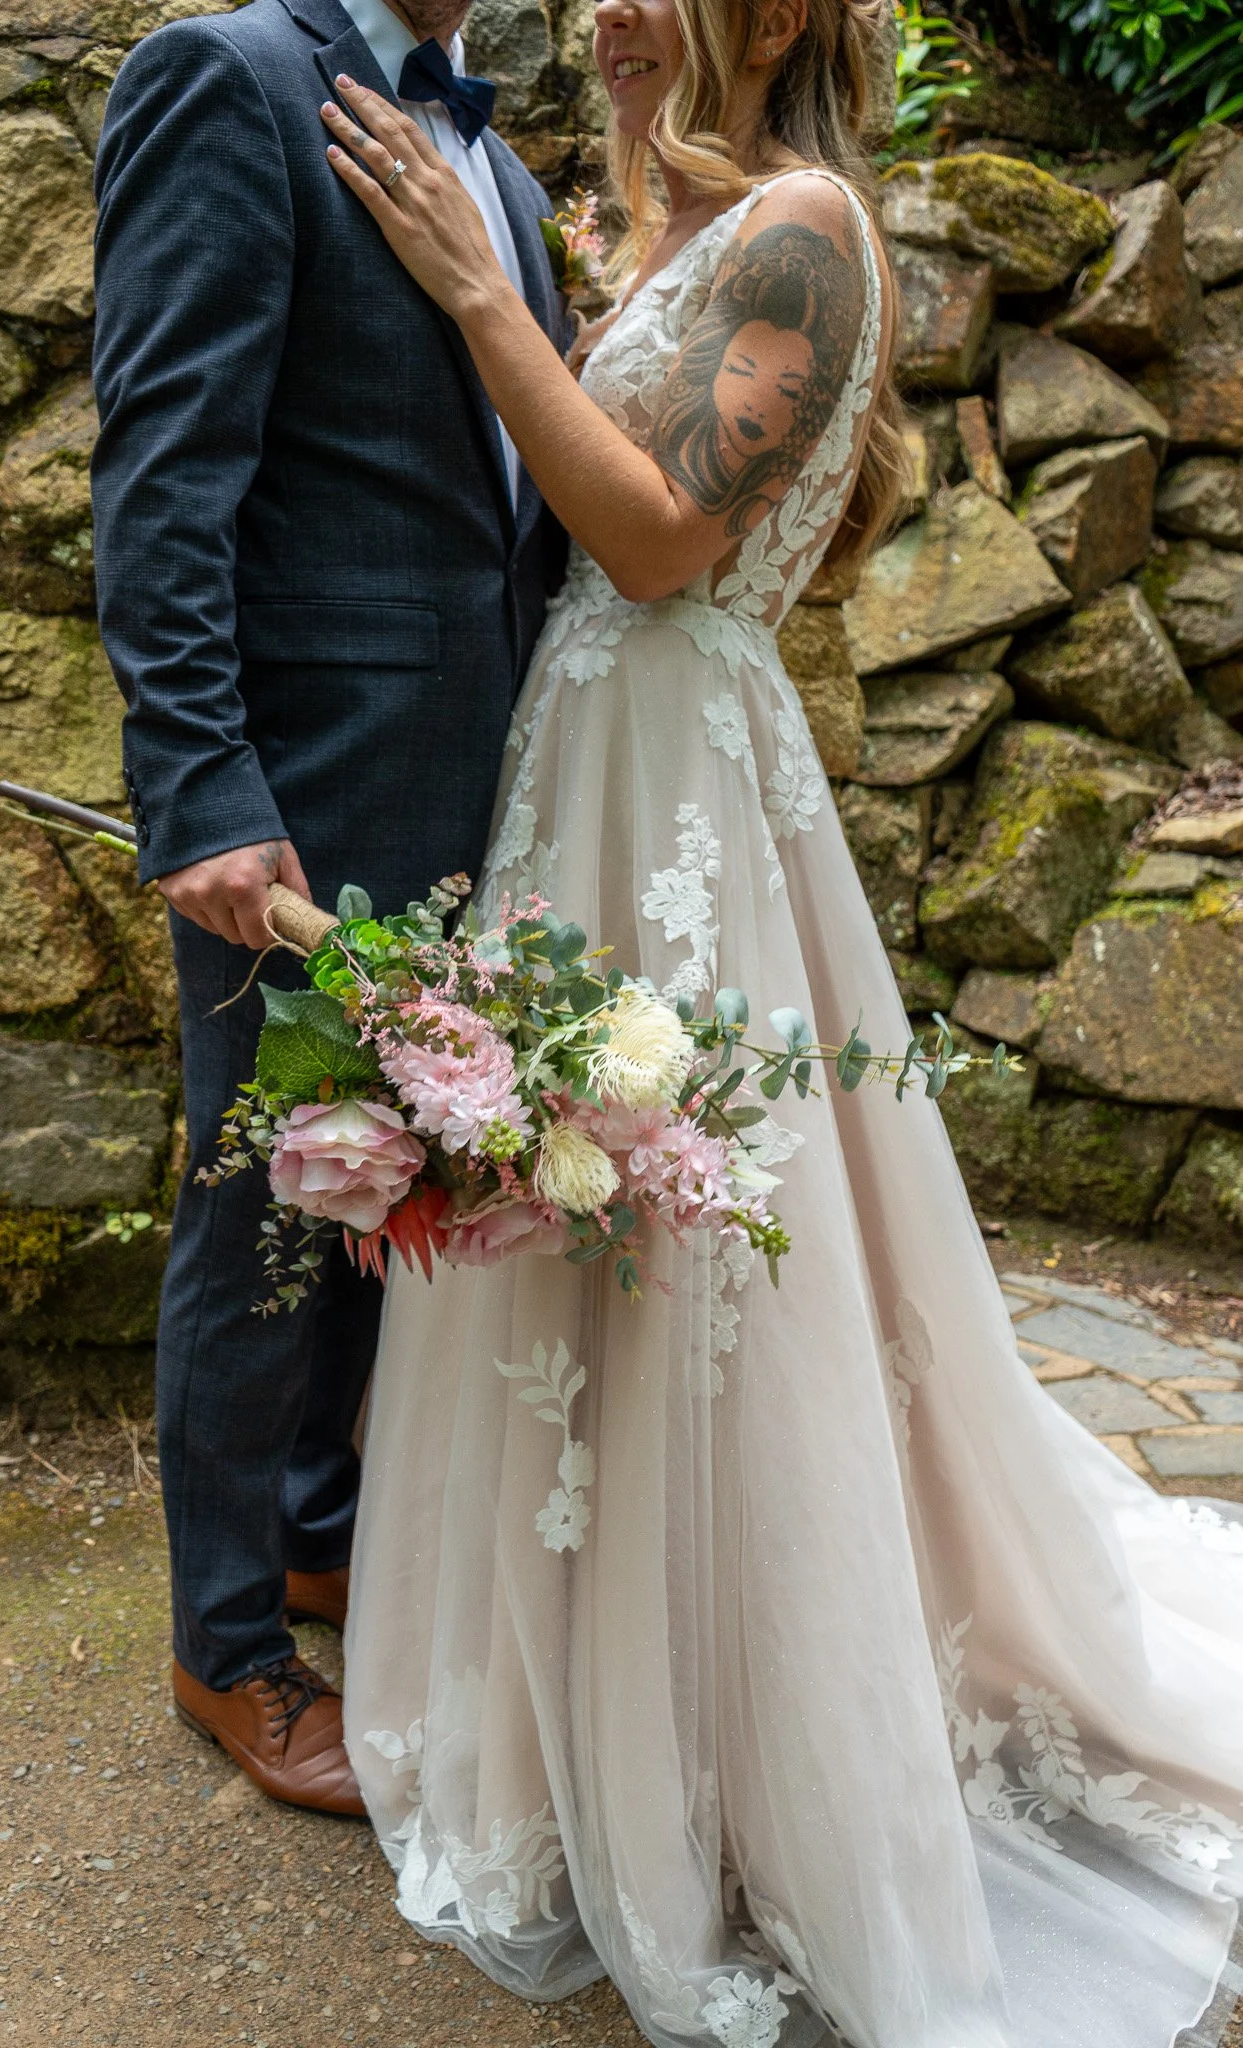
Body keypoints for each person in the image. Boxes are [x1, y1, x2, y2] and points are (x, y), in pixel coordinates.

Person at [320, 0, 1243, 2041]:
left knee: (691, 1234)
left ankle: (751, 1744)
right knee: (590, 1217)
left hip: (675, 778)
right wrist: (599, 218)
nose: (610, 11)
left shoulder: (810, 226)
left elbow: (655, 537)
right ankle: (598, 1711)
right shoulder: (681, 225)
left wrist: (486, 301)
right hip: (591, 759)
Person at [90, 0, 568, 1814]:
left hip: (485, 773)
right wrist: (201, 784)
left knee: (400, 1188)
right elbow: (164, 456)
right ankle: (225, 1653)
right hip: (298, 791)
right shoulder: (226, 73)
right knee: (261, 1212)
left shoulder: (502, 165)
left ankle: (311, 1539)